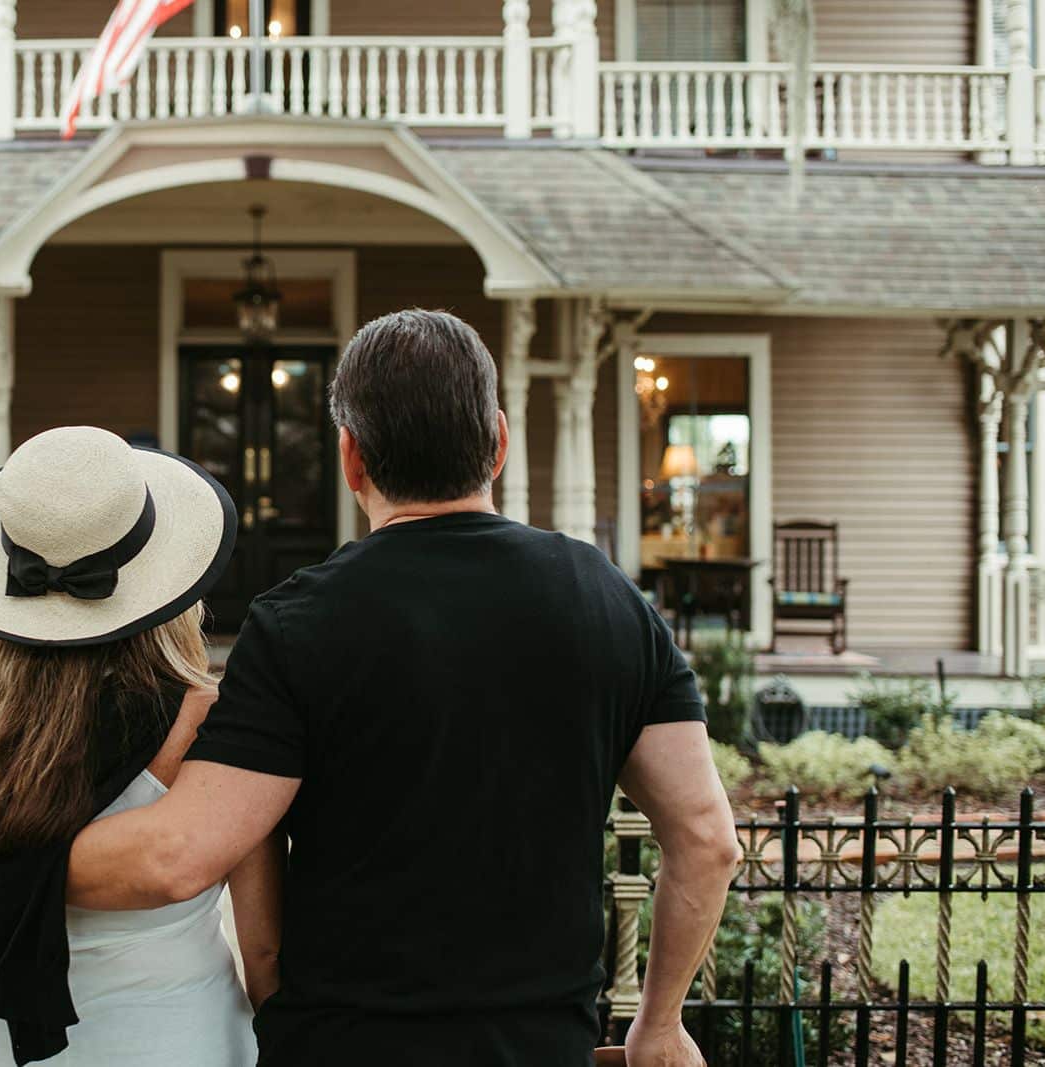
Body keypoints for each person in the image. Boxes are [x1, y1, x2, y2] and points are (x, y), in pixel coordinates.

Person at [66, 309, 743, 1067]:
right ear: (498, 440)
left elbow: (177, 855)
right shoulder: (608, 599)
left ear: (351, 459)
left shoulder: (295, 623)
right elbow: (708, 840)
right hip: (540, 1046)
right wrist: (657, 1024)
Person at [0, 425, 282, 1066]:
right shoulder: (211, 721)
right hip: (179, 1037)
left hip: (2, 1044)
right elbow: (265, 947)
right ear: (168, 585)